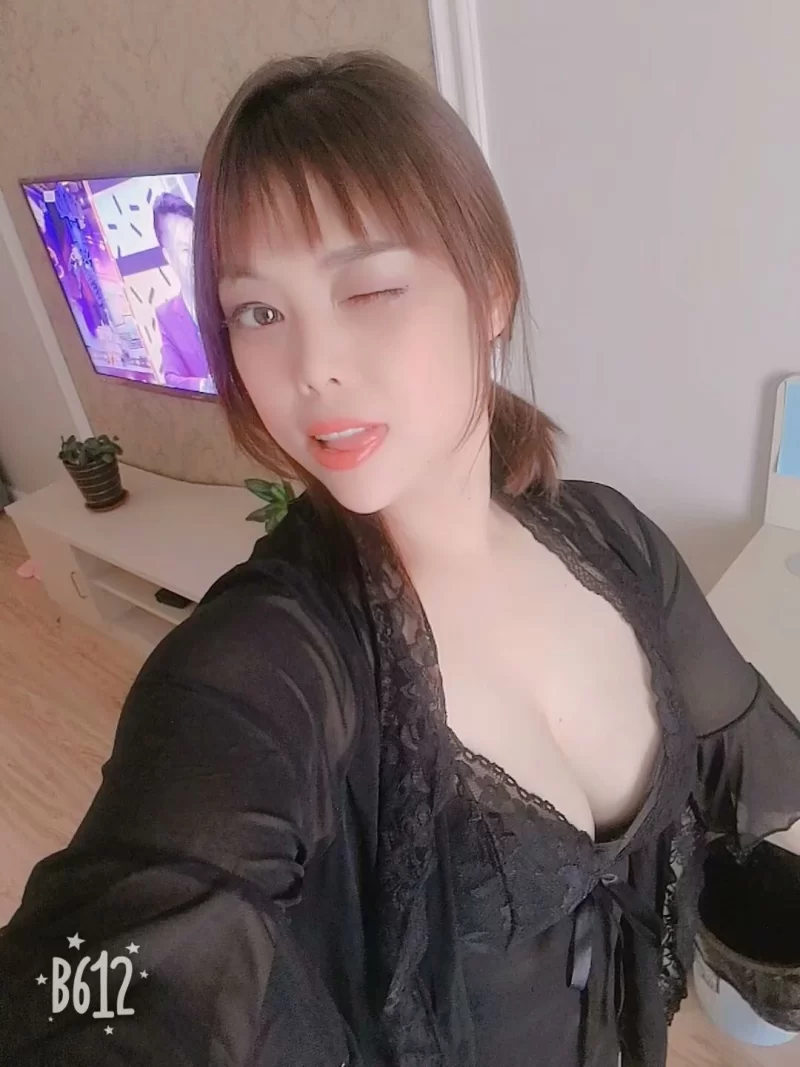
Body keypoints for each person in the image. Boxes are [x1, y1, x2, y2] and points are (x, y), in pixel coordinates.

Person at [1, 51, 799, 1067]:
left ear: (490, 291)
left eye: (370, 288)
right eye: (258, 312)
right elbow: (101, 977)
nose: (312, 366)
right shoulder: (266, 661)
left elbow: (745, 764)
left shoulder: (614, 540)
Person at [152, 192, 214, 392]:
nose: (196, 258)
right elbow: (172, 379)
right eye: (186, 250)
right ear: (168, 256)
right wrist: (206, 386)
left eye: (197, 245)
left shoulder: (228, 294)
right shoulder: (166, 316)